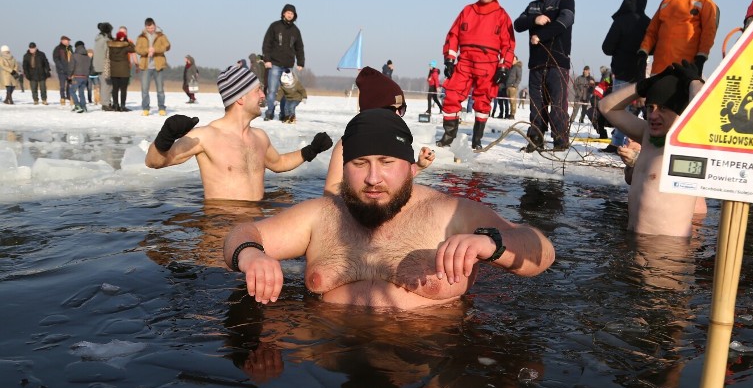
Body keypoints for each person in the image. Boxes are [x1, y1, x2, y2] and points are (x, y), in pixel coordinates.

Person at [224, 107, 555, 308]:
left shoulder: (449, 213)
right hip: (331, 359)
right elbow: (243, 233)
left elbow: (541, 250)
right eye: (359, 163)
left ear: (411, 167)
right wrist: (251, 254)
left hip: (428, 369)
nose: (372, 177)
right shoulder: (323, 214)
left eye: (386, 162)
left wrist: (490, 242)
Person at [145, 64, 332, 201]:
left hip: (256, 223)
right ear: (240, 98)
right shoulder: (206, 136)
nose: (262, 95)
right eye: (257, 90)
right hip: (220, 228)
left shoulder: (259, 137)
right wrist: (165, 136)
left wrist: (311, 150)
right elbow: (155, 162)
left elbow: (279, 163)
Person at [598, 62, 706, 237]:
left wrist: (694, 82)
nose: (654, 115)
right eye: (651, 107)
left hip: (666, 252)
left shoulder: (687, 140)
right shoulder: (647, 135)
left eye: (663, 108)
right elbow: (606, 107)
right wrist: (643, 86)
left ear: (679, 111)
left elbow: (704, 110)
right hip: (635, 242)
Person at [324, 66, 434, 196]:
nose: (398, 115)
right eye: (394, 110)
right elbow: (330, 190)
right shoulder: (348, 142)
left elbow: (395, 181)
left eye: (402, 109)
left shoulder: (396, 139)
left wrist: (418, 167)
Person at [438, 0, 516, 151]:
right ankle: (448, 136)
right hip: (465, 60)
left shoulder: (502, 15)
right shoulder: (467, 10)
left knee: (483, 101)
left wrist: (504, 67)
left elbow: (508, 44)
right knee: (452, 95)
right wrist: (450, 59)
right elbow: (454, 35)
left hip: (488, 63)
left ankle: (477, 139)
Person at [513, 0, 576, 151]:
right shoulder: (533, 5)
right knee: (536, 106)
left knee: (558, 105)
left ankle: (560, 142)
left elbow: (566, 21)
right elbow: (518, 24)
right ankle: (535, 140)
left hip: (558, 63)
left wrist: (542, 36)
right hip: (537, 64)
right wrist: (535, 20)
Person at [638, 0, 718, 78]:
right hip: (659, 69)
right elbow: (652, 31)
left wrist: (702, 57)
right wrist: (643, 51)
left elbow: (709, 31)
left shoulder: (704, 0)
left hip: (685, 69)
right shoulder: (666, 1)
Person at [603, 0, 651, 151]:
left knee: (618, 107)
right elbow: (653, 48)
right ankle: (628, 141)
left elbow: (607, 47)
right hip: (639, 72)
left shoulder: (621, 21)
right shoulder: (648, 23)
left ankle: (617, 142)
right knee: (633, 109)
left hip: (621, 70)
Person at [262, 4, 304, 121]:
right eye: (288, 12)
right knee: (273, 91)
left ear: (294, 16)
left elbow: (299, 47)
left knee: (287, 92)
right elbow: (267, 43)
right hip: (274, 64)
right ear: (283, 13)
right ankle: (269, 112)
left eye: (292, 13)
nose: (290, 15)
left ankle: (283, 114)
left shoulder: (295, 31)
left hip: (288, 66)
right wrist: (267, 60)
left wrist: (300, 62)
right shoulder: (275, 26)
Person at [135, 17, 171, 116]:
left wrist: (155, 49)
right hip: (145, 66)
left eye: (152, 27)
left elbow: (167, 46)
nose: (150, 29)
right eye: (148, 28)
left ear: (155, 26)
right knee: (145, 89)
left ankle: (161, 108)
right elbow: (137, 49)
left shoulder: (161, 36)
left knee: (160, 89)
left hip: (158, 66)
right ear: (145, 27)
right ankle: (146, 108)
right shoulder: (141, 37)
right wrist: (147, 50)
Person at [108, 30, 136, 112]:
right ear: (123, 37)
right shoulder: (125, 46)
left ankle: (116, 105)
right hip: (124, 71)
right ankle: (123, 106)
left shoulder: (111, 46)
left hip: (113, 71)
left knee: (115, 89)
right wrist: (128, 41)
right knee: (123, 89)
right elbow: (134, 49)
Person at [93, 22, 113, 110]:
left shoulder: (98, 39)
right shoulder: (105, 40)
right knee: (107, 85)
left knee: (104, 84)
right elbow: (108, 52)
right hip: (105, 65)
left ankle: (105, 102)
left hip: (98, 65)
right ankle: (106, 103)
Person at [68, 41, 91, 113]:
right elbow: (90, 67)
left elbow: (71, 67)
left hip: (77, 76)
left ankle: (77, 105)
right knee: (81, 92)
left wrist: (69, 75)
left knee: (72, 91)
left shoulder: (74, 55)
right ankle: (83, 106)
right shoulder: (87, 57)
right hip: (85, 77)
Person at [52, 36, 73, 105]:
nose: (68, 42)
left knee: (70, 84)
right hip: (61, 70)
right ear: (62, 41)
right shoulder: (58, 49)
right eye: (67, 41)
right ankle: (62, 98)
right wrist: (61, 67)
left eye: (69, 41)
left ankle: (69, 97)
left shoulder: (70, 48)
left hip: (70, 70)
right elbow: (56, 59)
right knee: (62, 85)